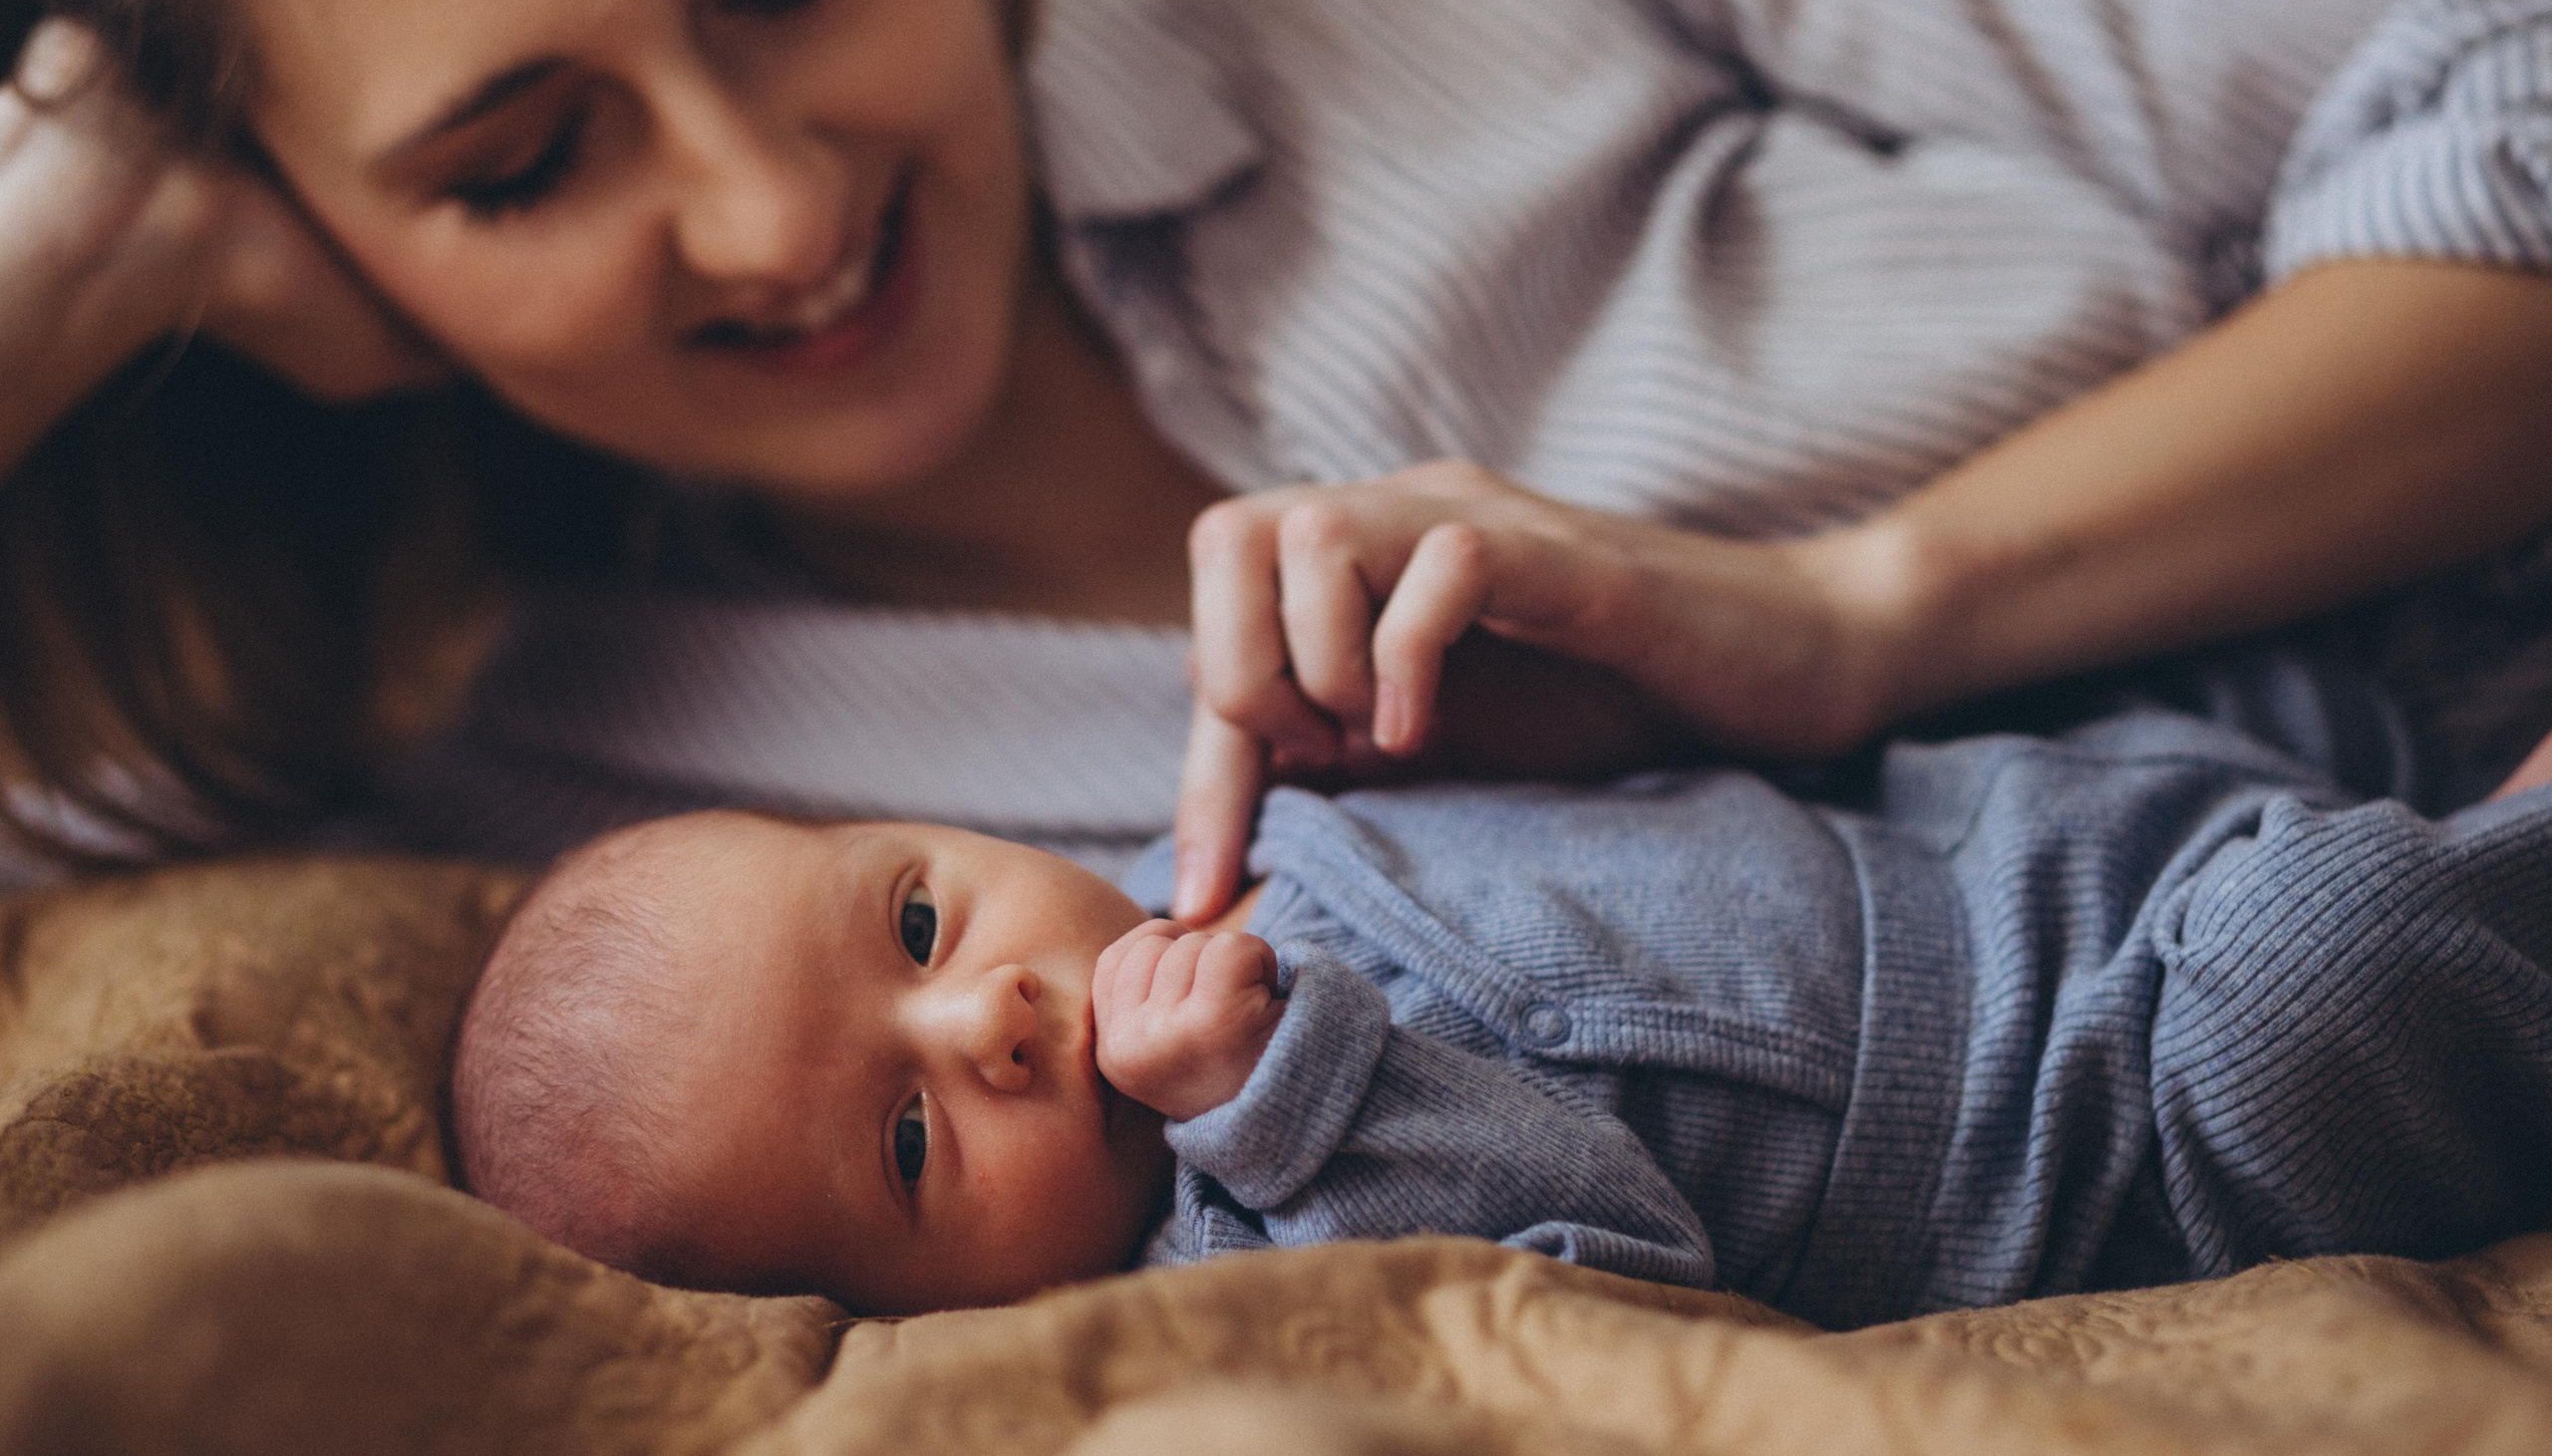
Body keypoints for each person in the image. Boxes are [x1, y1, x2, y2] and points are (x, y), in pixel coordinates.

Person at [2, 0, 2548, 900]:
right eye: (518, 159)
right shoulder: (531, 769)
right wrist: (69, 262)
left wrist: (1865, 609)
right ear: (306, 240)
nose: (771, 207)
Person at [450, 645, 2552, 1328]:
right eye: (906, 1139)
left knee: (2275, 678)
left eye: (911, 926)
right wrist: (1278, 1097)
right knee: (2325, 961)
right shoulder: (1239, 1244)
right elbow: (1607, 1263)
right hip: (2087, 1112)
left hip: (2006, 830)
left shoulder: (1190, 845)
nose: (983, 1017)